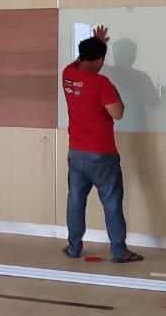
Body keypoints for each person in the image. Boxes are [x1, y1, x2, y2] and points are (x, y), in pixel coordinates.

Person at [61, 25, 144, 263]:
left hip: (76, 152)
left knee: (75, 201)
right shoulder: (101, 83)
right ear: (100, 60)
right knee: (111, 202)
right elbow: (118, 113)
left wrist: (95, 42)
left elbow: (81, 60)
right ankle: (119, 251)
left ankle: (73, 247)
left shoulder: (68, 74)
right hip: (101, 154)